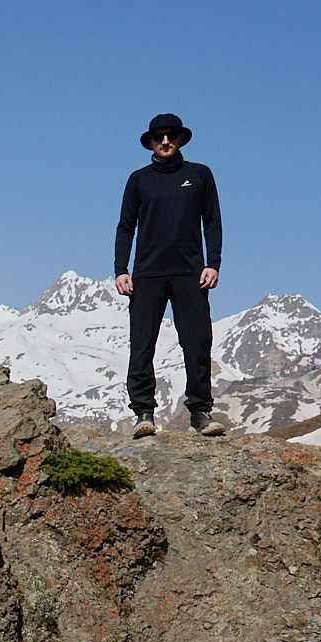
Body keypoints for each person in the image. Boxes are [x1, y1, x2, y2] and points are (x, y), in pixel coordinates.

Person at [115, 113, 225, 438]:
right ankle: (144, 414)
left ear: (180, 140)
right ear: (150, 142)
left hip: (191, 272)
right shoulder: (138, 180)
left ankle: (201, 412)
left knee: (197, 341)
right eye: (159, 137)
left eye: (171, 136)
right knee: (142, 344)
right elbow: (125, 226)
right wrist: (121, 269)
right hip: (146, 273)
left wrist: (213, 262)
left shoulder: (200, 175)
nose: (165, 142)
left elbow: (213, 221)